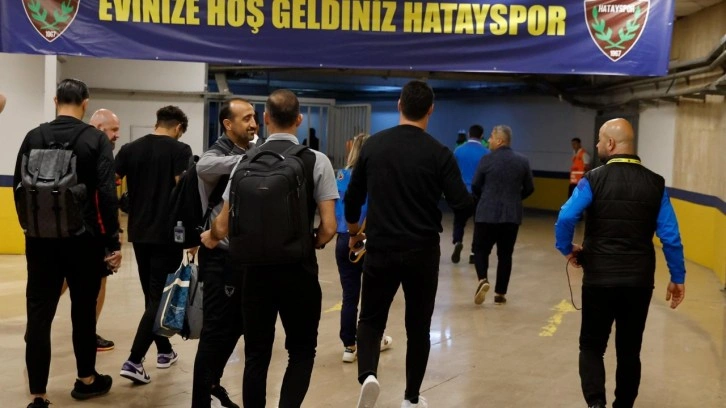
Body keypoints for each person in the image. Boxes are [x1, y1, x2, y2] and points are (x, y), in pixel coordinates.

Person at [201, 89, 338, 408]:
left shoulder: (244, 161)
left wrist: (210, 237)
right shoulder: (316, 161)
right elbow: (329, 226)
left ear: (265, 118)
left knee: (256, 354)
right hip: (298, 271)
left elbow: (222, 225)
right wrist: (308, 243)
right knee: (301, 351)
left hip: (253, 274)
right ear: (299, 119)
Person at [345, 80, 473, 408]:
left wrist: (355, 230)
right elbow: (461, 203)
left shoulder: (374, 146)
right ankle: (411, 398)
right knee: (418, 327)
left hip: (381, 248)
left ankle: (368, 375)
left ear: (399, 104)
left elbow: (353, 198)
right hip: (422, 251)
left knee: (370, 319)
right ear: (431, 109)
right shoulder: (440, 153)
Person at [555, 118, 686, 408]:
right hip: (639, 282)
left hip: (599, 279)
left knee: (592, 346)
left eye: (600, 140)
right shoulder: (656, 183)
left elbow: (566, 217)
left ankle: (596, 404)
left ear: (611, 144)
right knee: (629, 351)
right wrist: (677, 277)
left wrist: (567, 248)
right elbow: (671, 237)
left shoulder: (593, 179)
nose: (597, 145)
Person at [14, 78, 120, 408]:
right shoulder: (94, 139)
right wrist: (112, 242)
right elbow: (106, 195)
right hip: (84, 242)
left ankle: (38, 394)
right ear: (85, 103)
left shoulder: (33, 136)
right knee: (83, 312)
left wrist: (31, 228)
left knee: (38, 315)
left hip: (39, 241)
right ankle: (86, 380)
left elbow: (19, 187)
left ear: (55, 100)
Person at [115, 106, 192, 384]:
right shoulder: (180, 150)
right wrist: (191, 236)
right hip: (167, 235)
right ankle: (134, 360)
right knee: (160, 298)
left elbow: (111, 181)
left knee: (152, 295)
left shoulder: (129, 149)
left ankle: (164, 351)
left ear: (157, 123)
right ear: (179, 128)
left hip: (139, 232)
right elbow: (182, 192)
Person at [191, 98, 257, 408]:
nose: (253, 124)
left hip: (243, 256)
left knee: (239, 324)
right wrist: (250, 160)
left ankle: (213, 381)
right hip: (219, 255)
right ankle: (199, 401)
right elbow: (202, 166)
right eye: (246, 118)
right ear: (228, 124)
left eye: (254, 117)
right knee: (215, 330)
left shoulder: (249, 150)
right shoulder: (217, 154)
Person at [334, 133, 393, 364]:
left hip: (343, 238)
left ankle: (349, 346)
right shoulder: (375, 177)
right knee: (374, 295)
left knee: (349, 295)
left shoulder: (340, 175)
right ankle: (373, 340)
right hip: (368, 239)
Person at [471, 125, 534, 306]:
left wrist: (485, 197)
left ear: (499, 140)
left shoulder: (486, 159)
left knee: (480, 249)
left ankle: (483, 279)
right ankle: (500, 294)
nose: (489, 140)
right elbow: (530, 188)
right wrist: (515, 199)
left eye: (491, 137)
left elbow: (475, 185)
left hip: (487, 213)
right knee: (505, 255)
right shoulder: (522, 161)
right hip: (511, 215)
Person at [451, 124, 490, 265]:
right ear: (482, 135)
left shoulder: (458, 151)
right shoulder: (487, 153)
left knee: (459, 221)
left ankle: (458, 241)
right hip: (479, 193)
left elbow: (452, 172)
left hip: (462, 192)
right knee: (478, 224)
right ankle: (473, 253)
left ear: (469, 134)